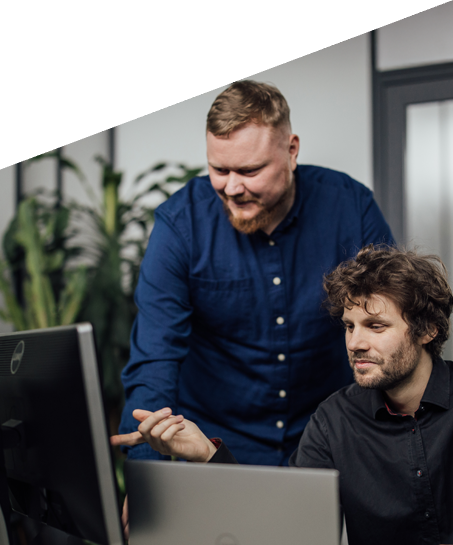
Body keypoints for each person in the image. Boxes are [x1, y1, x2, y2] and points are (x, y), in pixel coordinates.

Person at [119, 80, 393, 466]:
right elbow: (155, 355)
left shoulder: (351, 206)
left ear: (291, 151)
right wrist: (147, 476)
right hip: (214, 444)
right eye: (219, 169)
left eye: (250, 170)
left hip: (330, 436)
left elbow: (388, 325)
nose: (232, 188)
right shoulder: (181, 225)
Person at [112, 245, 453, 545]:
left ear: (427, 330)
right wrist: (206, 455)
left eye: (376, 326)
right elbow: (281, 529)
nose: (355, 343)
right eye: (350, 326)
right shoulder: (334, 421)